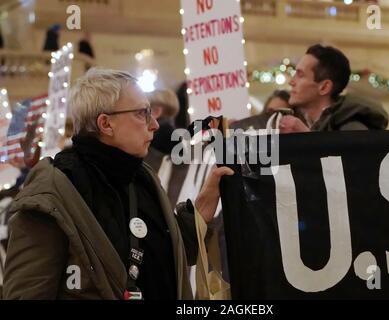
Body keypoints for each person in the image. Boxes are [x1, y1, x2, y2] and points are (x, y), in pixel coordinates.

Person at [2, 68, 233, 300]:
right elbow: (26, 293)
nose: (154, 124)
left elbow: (161, 256)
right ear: (106, 124)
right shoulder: (51, 195)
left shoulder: (142, 177)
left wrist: (200, 212)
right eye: (142, 113)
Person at [279, 44, 388, 133]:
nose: (291, 82)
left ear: (324, 87)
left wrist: (307, 137)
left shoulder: (351, 128)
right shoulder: (316, 124)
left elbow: (357, 158)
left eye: (300, 75)